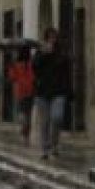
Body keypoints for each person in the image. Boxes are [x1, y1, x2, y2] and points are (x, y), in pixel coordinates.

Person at [32, 28, 72, 159]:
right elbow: (35, 68)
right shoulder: (40, 52)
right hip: (42, 92)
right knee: (44, 122)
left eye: (54, 37)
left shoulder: (61, 53)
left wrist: (69, 91)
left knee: (57, 117)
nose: (52, 40)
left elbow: (67, 72)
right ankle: (45, 148)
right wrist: (44, 54)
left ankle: (55, 144)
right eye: (49, 37)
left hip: (58, 91)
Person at [8, 46, 36, 144]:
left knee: (22, 112)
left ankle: (23, 128)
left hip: (20, 91)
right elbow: (34, 77)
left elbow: (12, 78)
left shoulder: (16, 65)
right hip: (31, 91)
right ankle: (26, 136)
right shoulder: (31, 64)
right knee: (28, 114)